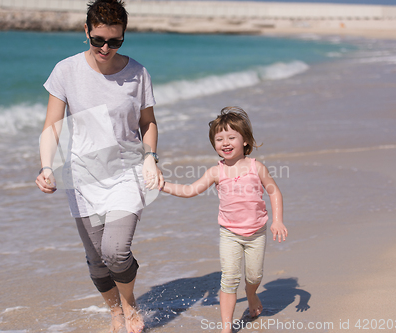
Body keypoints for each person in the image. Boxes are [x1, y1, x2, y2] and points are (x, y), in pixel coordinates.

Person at [35, 0, 163, 332]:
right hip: (81, 177)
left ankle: (130, 304)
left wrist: (150, 159)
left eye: (115, 41)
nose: (105, 47)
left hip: (126, 172)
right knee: (97, 262)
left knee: (116, 251)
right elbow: (52, 125)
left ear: (123, 37)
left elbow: (148, 123)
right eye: (98, 40)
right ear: (86, 32)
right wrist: (46, 166)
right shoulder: (66, 71)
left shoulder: (138, 74)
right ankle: (115, 312)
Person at [160, 106, 287, 333]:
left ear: (245, 141)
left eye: (231, 137)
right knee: (229, 279)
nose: (225, 143)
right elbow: (190, 190)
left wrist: (277, 220)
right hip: (229, 233)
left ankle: (251, 294)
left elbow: (274, 192)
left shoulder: (256, 168)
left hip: (256, 232)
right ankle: (226, 328)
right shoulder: (215, 172)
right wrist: (164, 186)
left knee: (254, 276)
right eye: (219, 139)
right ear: (214, 144)